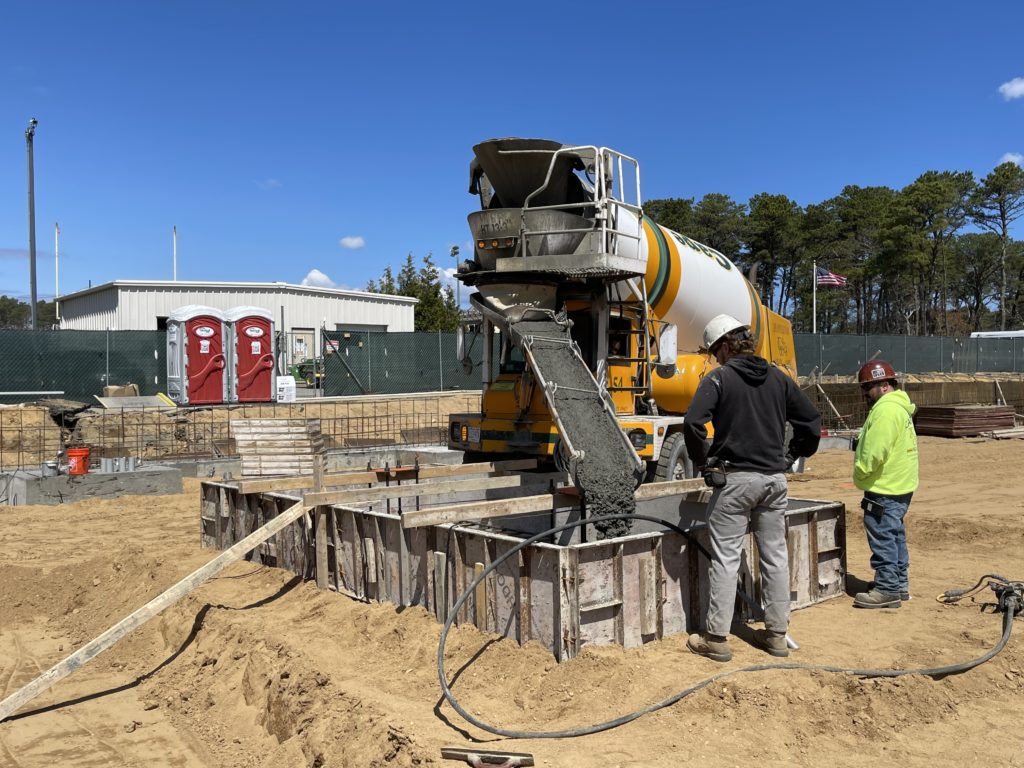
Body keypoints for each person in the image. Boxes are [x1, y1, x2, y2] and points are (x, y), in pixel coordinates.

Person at [682, 314, 821, 662]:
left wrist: (704, 463)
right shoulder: (778, 379)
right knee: (775, 557)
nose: (715, 359)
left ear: (725, 346)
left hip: (736, 480)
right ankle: (777, 635)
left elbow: (693, 423)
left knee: (726, 559)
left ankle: (717, 638)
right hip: (774, 482)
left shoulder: (720, 379)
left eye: (715, 352)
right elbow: (811, 422)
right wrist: (791, 455)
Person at [851, 360, 919, 609]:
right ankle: (899, 585)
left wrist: (861, 470)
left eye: (867, 387)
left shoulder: (885, 411)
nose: (865, 393)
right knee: (895, 535)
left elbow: (874, 452)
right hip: (899, 485)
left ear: (883, 386)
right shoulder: (899, 406)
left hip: (884, 487)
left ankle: (887, 589)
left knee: (882, 537)